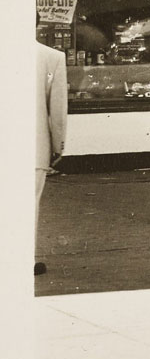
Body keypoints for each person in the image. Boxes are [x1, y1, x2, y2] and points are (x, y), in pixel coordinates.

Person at [37, 37, 69, 275]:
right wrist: (58, 146)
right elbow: (57, 110)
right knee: (29, 203)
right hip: (33, 146)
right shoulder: (52, 57)